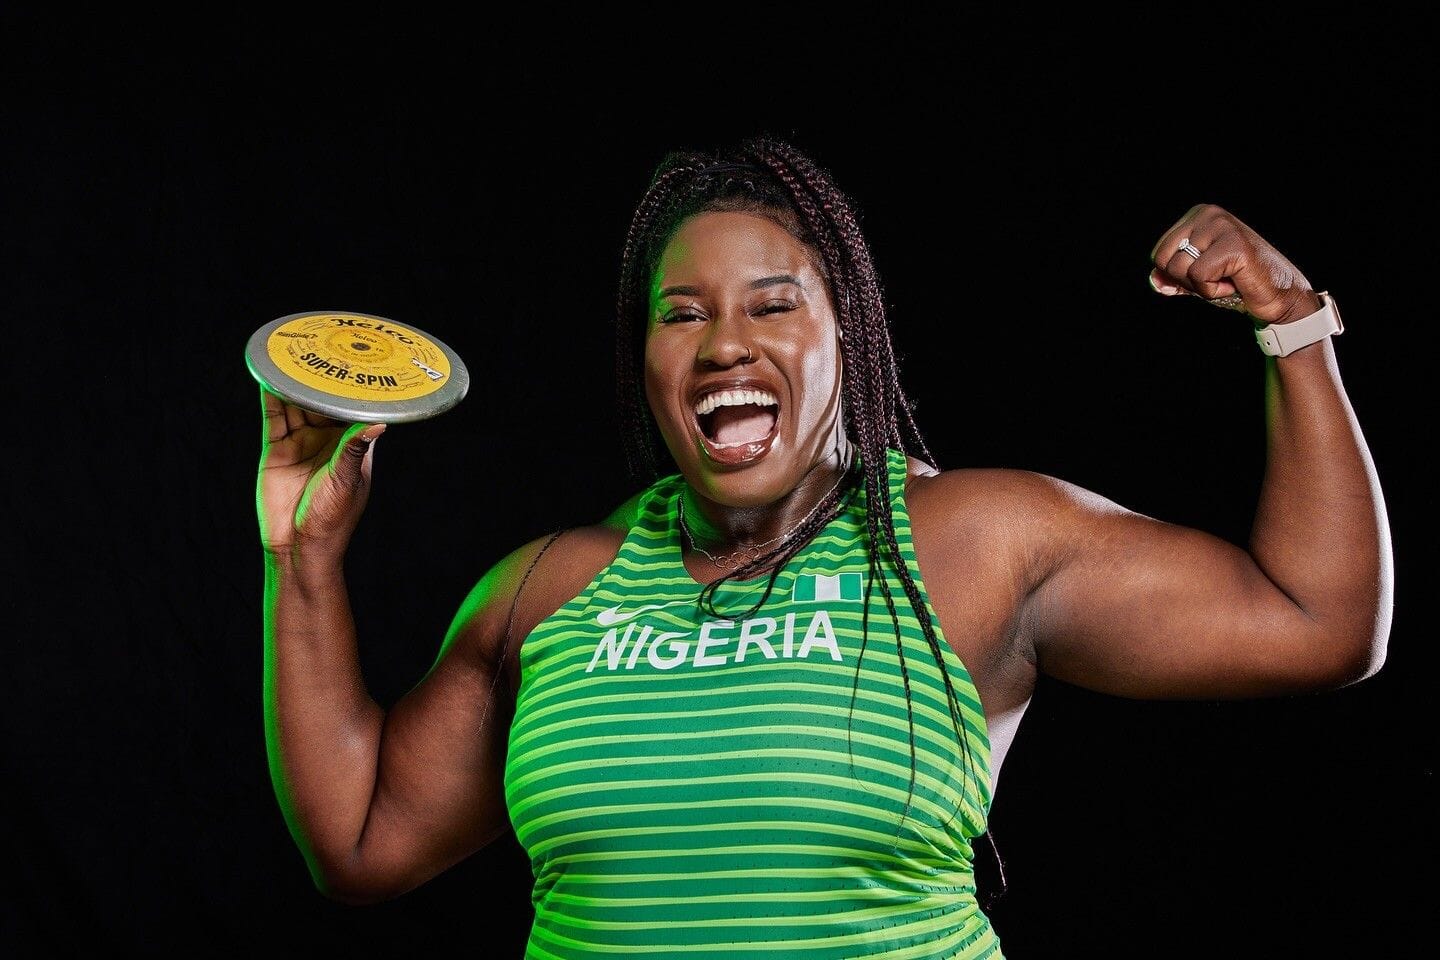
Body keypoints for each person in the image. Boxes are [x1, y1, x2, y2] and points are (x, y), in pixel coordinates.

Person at [255, 137, 1392, 959]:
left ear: (846, 333)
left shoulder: (969, 544)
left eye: (774, 305)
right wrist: (301, 562)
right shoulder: (546, 590)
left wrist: (1291, 326)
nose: (725, 346)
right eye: (683, 313)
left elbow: (1319, 621)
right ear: (644, 357)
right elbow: (359, 846)